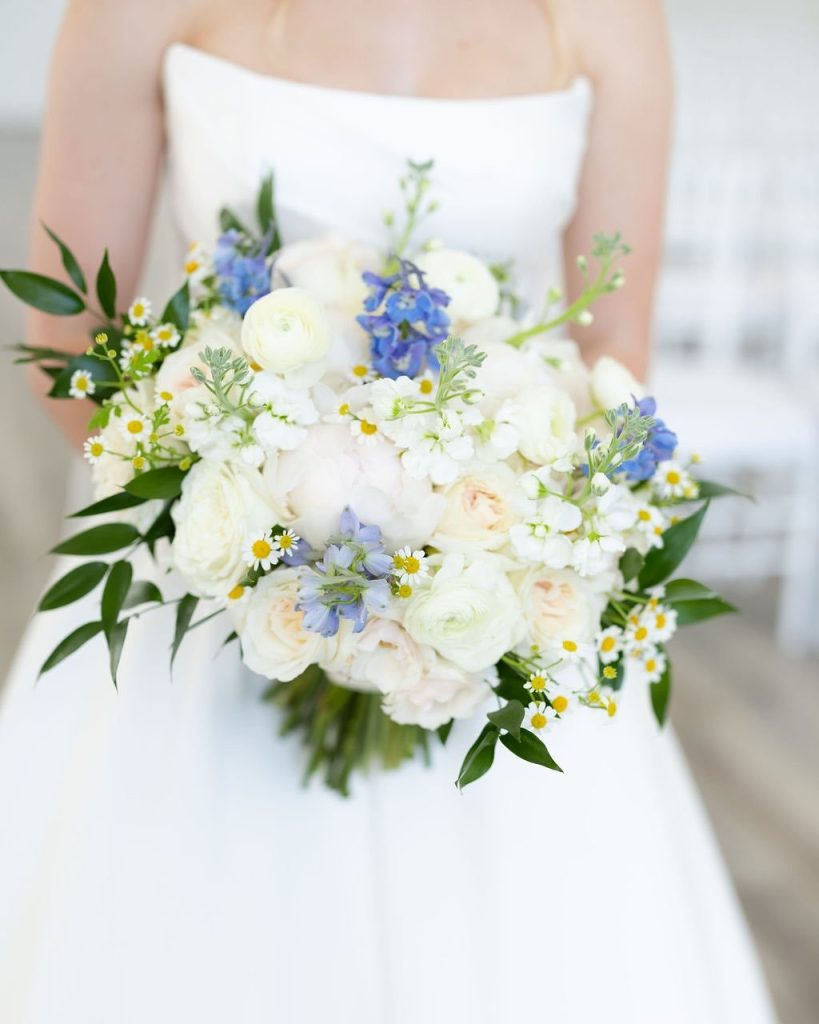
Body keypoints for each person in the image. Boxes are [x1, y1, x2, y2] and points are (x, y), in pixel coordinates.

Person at [0, 1, 777, 1021]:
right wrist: (253, 537)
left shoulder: (613, 20)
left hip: (492, 606)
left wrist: (472, 547)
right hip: (210, 595)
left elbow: (612, 362)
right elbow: (71, 347)